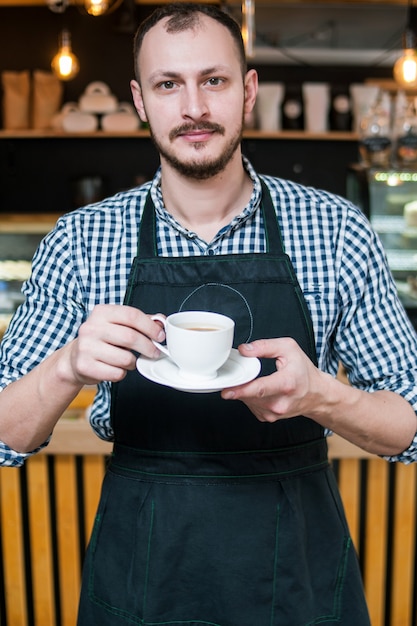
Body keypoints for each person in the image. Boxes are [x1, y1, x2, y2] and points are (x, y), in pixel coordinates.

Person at [1, 3, 417, 623]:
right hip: (143, 573)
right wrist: (66, 367)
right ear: (142, 101)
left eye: (213, 80)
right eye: (169, 85)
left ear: (247, 91)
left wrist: (321, 397)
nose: (193, 107)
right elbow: (6, 436)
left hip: (294, 575)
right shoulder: (82, 238)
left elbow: (410, 423)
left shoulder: (335, 229)